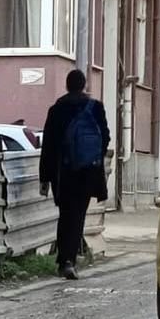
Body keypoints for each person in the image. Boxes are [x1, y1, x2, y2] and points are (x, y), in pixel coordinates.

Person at [39, 68, 110, 281]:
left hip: (63, 173)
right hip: (87, 172)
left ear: (67, 85)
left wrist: (44, 176)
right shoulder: (95, 107)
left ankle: (65, 260)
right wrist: (92, 159)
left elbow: (48, 145)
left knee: (66, 214)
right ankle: (69, 259)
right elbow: (105, 137)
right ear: (84, 85)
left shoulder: (57, 109)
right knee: (78, 215)